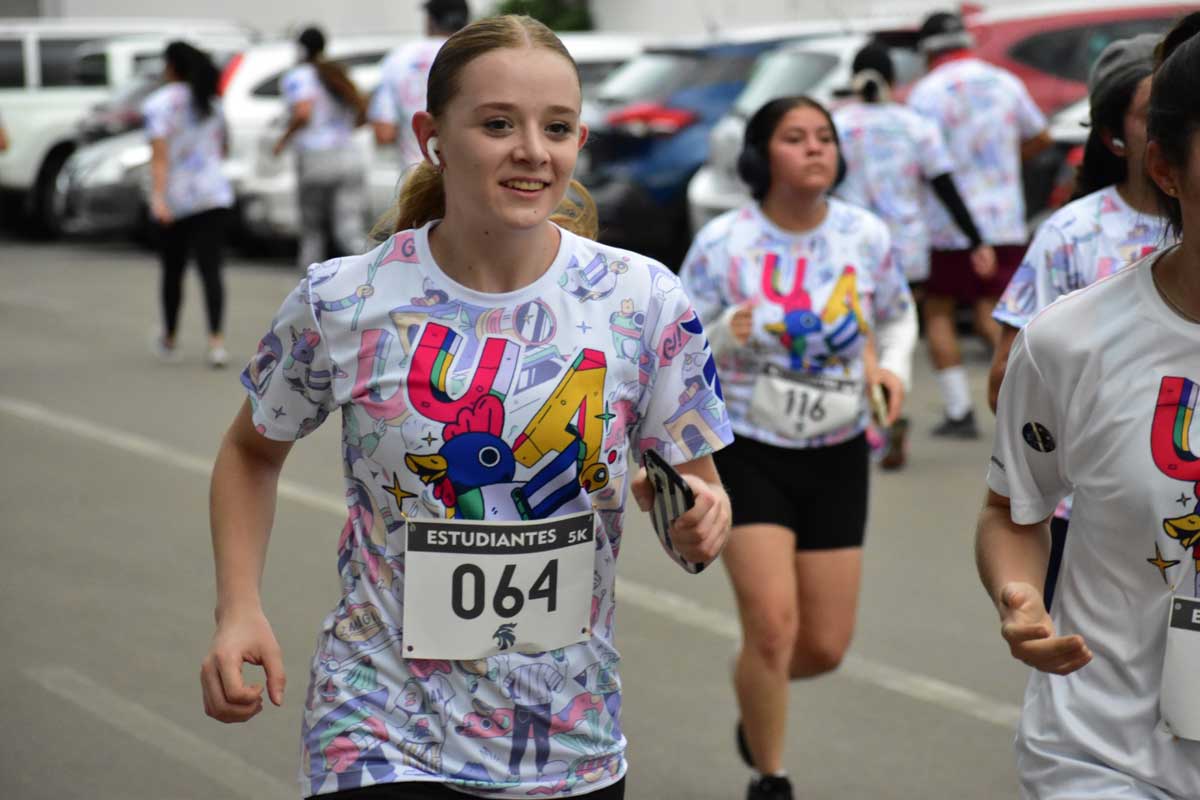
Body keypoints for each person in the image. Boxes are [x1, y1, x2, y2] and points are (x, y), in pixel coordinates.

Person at [202, 15, 734, 800]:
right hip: (378, 721)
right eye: (497, 124)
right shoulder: (345, 298)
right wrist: (238, 609)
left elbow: (698, 501)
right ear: (432, 136)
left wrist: (699, 517)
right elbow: (252, 451)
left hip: (566, 741)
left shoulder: (643, 299)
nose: (532, 150)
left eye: (556, 128)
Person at [977, 14, 1200, 797]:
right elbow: (1013, 511)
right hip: (1104, 755)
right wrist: (1021, 600)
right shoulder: (1071, 342)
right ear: (1164, 167)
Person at [679, 95, 917, 800]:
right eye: (794, 138)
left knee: (822, 646)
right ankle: (770, 776)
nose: (815, 149)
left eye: (825, 137)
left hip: (839, 448)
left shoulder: (865, 236)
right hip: (749, 448)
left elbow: (897, 317)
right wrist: (725, 332)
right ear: (760, 157)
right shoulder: (724, 243)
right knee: (775, 627)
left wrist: (891, 370)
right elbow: (676, 344)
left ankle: (756, 683)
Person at [987, 33, 1170, 611]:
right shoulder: (1072, 234)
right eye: (1152, 115)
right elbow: (1006, 379)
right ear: (1116, 135)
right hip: (1087, 510)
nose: (1169, 127)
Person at [833, 41, 995, 469]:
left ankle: (881, 416)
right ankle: (895, 397)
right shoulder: (915, 125)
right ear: (892, 79)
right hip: (907, 250)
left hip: (849, 245)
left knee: (860, 333)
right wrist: (976, 239)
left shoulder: (837, 126)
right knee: (900, 331)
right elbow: (945, 187)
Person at [907, 11, 1050, 439]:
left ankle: (958, 411)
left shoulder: (925, 94)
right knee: (996, 310)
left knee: (940, 309)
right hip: (1005, 216)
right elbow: (1040, 136)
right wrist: (1005, 163)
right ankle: (1030, 399)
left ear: (927, 51)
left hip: (947, 221)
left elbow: (919, 158)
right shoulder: (1004, 81)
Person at [143, 40, 233, 367]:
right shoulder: (211, 102)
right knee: (211, 270)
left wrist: (158, 198)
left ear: (171, 66)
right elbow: (223, 149)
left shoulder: (159, 104)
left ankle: (169, 336)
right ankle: (216, 342)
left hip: (177, 198)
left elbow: (159, 157)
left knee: (173, 270)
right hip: (213, 194)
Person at [275, 26, 369, 271]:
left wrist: (283, 139)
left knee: (313, 230)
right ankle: (370, 278)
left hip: (316, 158)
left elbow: (303, 112)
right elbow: (361, 115)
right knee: (348, 229)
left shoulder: (300, 75)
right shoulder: (337, 74)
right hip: (349, 156)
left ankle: (309, 290)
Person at [370, 0, 470, 167]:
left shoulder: (398, 58)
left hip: (415, 178)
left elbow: (384, 132)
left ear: (430, 21)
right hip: (468, 177)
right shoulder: (478, 57)